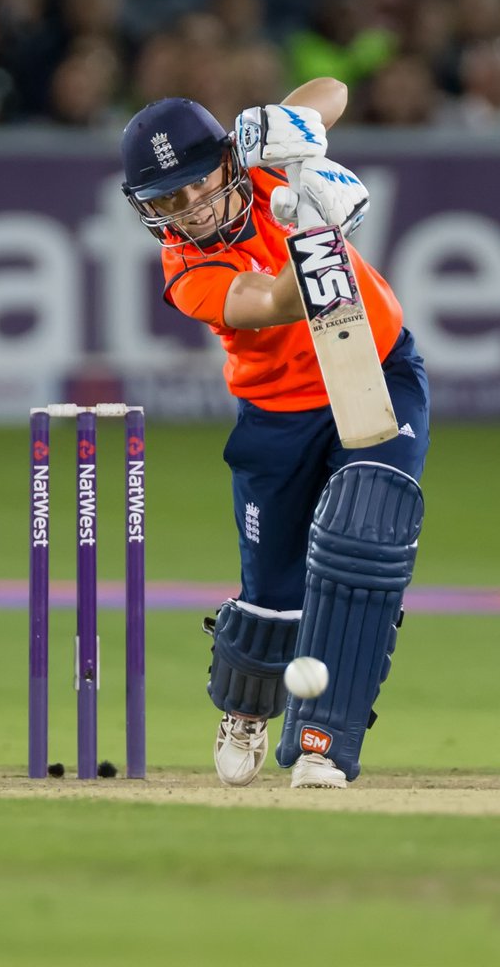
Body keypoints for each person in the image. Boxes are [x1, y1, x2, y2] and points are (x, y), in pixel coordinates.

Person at [120, 83, 429, 788]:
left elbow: (335, 91)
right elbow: (273, 303)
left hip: (373, 367)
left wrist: (293, 126)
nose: (187, 213)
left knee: (367, 540)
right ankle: (246, 708)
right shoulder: (188, 269)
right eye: (165, 203)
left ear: (228, 162)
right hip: (279, 411)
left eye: (194, 188)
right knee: (272, 599)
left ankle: (326, 740)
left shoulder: (262, 166)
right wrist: (322, 236)